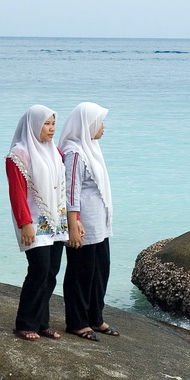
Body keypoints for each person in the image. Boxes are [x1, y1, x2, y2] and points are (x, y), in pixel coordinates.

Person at [6, 104, 69, 340]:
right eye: (47, 123)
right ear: (33, 125)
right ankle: (25, 323)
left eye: (53, 123)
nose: (52, 129)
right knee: (38, 270)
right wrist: (25, 223)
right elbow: (17, 193)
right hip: (33, 221)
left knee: (51, 272)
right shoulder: (19, 154)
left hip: (56, 222)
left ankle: (42, 323)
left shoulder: (55, 152)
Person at [60, 102, 118, 341]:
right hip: (83, 225)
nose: (103, 127)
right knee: (80, 273)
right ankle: (77, 322)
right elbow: (70, 192)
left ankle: (96, 317)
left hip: (99, 224)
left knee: (100, 271)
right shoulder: (75, 152)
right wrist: (73, 225)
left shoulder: (91, 148)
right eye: (100, 122)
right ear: (87, 125)